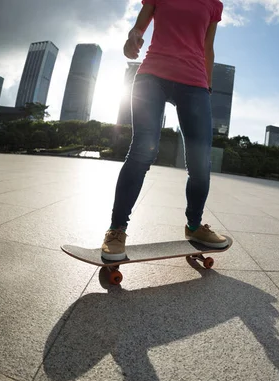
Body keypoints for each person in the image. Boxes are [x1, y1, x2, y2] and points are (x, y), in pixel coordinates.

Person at [101, 0, 228, 261]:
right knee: (143, 150)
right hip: (153, 75)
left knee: (200, 162)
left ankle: (194, 227)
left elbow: (207, 48)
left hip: (194, 82)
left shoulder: (214, 4)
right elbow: (139, 28)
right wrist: (132, 38)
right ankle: (116, 230)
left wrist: (208, 87)